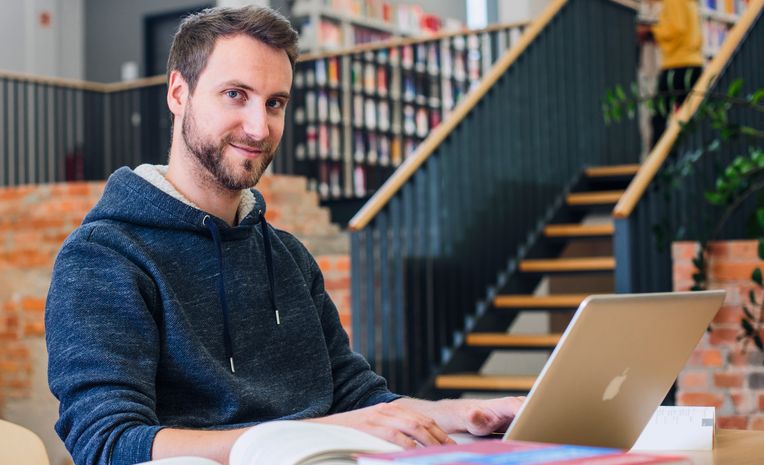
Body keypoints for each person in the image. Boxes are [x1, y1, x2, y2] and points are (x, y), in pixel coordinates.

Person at [45, 6, 523, 465]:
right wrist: (321, 432)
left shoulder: (287, 256)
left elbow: (358, 398)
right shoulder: (104, 256)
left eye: (275, 103)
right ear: (178, 93)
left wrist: (462, 414)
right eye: (236, 94)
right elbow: (107, 446)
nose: (259, 127)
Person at [637, 0, 704, 147]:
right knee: (687, 116)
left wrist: (651, 31)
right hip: (693, 63)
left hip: (678, 64)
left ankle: (660, 163)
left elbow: (676, 28)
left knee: (659, 117)